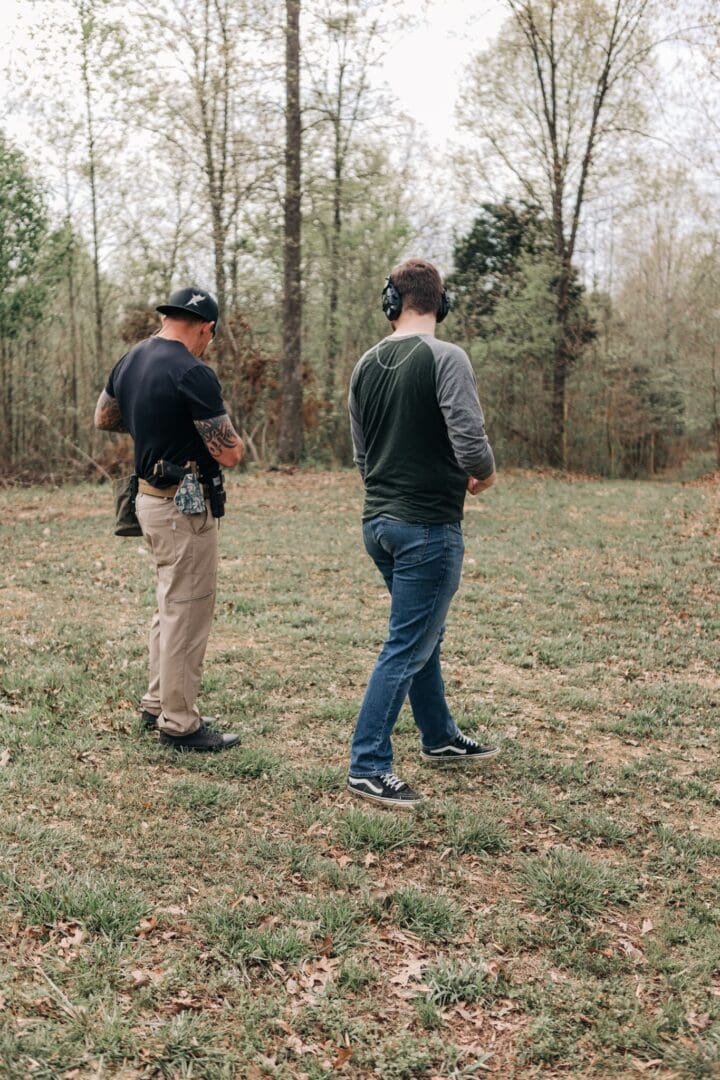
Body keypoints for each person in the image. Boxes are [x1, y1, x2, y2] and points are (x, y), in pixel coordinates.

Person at [346, 258, 498, 808]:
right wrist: (484, 472)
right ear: (441, 302)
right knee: (407, 643)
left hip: (379, 524)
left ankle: (438, 736)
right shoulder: (446, 357)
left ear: (392, 302)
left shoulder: (365, 363)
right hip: (427, 528)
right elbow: (469, 438)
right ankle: (368, 764)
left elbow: (363, 456)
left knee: (419, 633)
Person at [94, 286, 244, 752]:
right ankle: (179, 724)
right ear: (205, 328)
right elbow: (231, 452)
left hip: (147, 500)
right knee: (188, 609)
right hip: (185, 505)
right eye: (209, 337)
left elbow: (103, 417)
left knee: (169, 603)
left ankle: (157, 701)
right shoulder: (193, 372)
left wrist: (150, 423)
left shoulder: (133, 358)